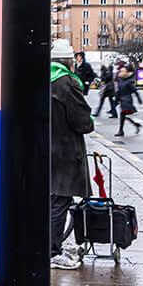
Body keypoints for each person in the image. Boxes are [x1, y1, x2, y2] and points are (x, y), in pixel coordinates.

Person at [48, 39, 96, 271]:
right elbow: (82, 121)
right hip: (65, 149)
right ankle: (52, 252)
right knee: (60, 200)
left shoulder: (44, 78)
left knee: (51, 200)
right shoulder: (67, 83)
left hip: (46, 147)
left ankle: (50, 246)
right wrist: (90, 121)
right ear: (68, 62)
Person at [112, 64, 142, 138]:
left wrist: (139, 99)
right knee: (123, 116)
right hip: (121, 99)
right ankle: (135, 125)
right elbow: (118, 90)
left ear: (127, 72)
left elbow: (135, 90)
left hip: (127, 100)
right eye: (121, 71)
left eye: (123, 71)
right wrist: (116, 100)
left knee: (123, 115)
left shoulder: (129, 81)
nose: (121, 72)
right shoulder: (120, 79)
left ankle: (121, 131)